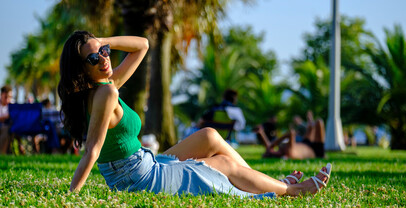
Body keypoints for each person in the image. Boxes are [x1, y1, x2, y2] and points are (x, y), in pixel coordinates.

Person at [59, 31, 331, 198]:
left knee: (210, 137)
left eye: (104, 52)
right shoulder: (106, 93)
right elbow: (92, 151)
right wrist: (71, 196)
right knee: (224, 164)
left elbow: (142, 45)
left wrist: (99, 42)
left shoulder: (103, 87)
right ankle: (293, 191)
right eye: (94, 59)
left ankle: (269, 183)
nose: (104, 58)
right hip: (139, 178)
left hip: (143, 164)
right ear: (81, 70)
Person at [255, 115, 326, 160]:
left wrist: (261, 133)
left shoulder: (283, 151)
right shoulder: (289, 152)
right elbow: (291, 133)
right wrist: (273, 144)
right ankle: (309, 121)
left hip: (305, 143)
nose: (277, 148)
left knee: (311, 126)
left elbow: (268, 146)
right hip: (316, 151)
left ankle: (309, 121)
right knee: (319, 122)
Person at [0, 85, 12, 154]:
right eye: (6, 97)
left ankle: (2, 153)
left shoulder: (12, 106)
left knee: (5, 129)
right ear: (1, 95)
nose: (8, 100)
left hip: (7, 127)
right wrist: (5, 117)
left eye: (10, 97)